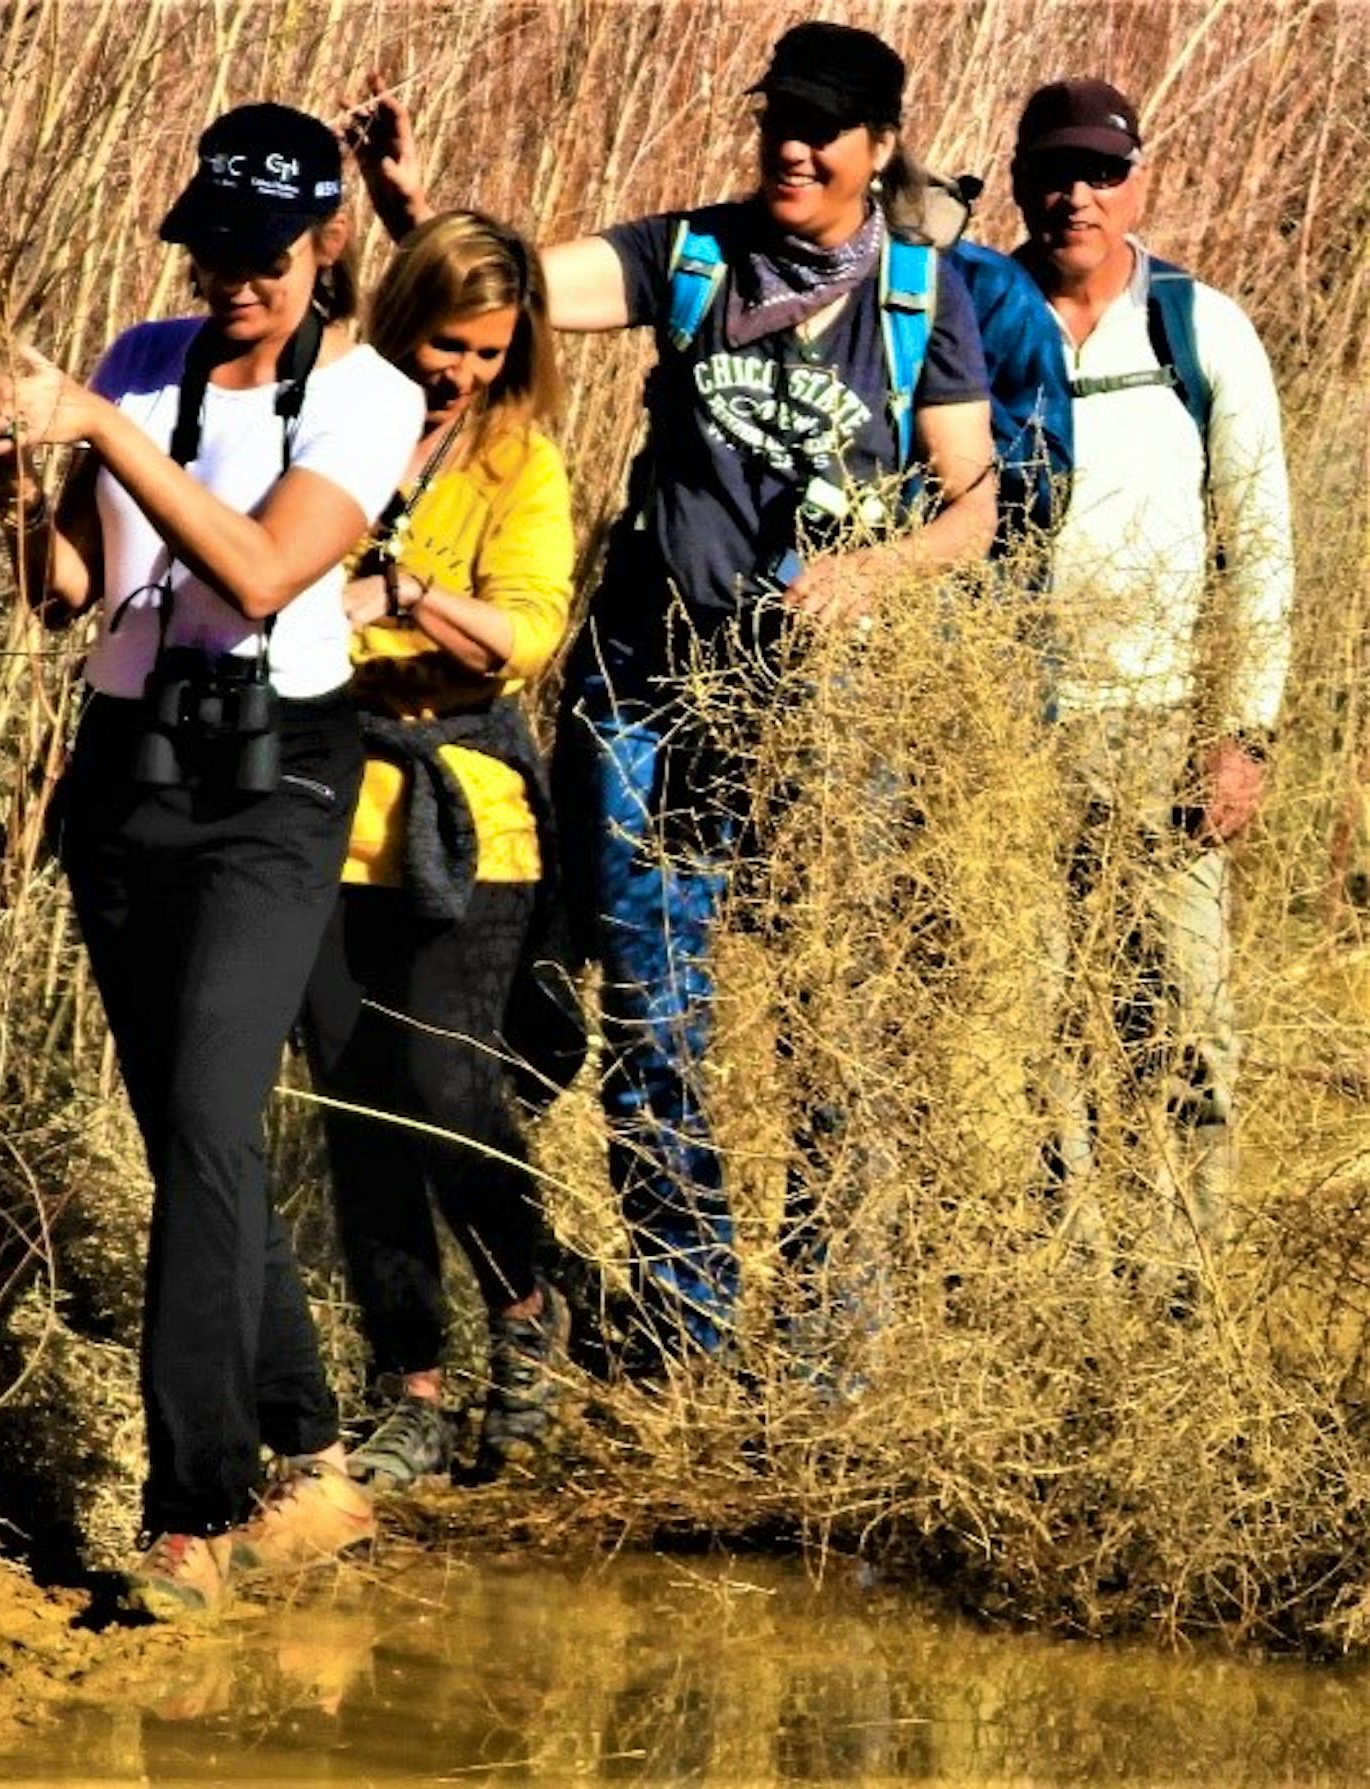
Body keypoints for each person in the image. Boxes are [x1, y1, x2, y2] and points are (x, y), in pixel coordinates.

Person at [352, 22, 996, 1361]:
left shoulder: (926, 299)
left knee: (828, 1024)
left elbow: (972, 510)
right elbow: (521, 284)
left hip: (823, 721)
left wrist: (872, 573)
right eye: (779, 122)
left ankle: (822, 1347)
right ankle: (686, 1329)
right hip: (648, 699)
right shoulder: (690, 253)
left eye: (825, 129)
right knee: (657, 1010)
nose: (795, 148)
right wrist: (421, 207)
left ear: (882, 151)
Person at [0, 103, 423, 1615]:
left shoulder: (373, 395)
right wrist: (11, 490)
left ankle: (195, 1505)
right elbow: (73, 589)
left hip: (274, 778)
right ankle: (311, 1445)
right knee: (199, 1135)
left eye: (261, 253)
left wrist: (104, 431)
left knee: (201, 1114)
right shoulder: (135, 356)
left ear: (324, 243)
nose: (231, 280)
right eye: (210, 250)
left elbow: (254, 571)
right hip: (131, 769)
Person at [295, 211, 574, 1490]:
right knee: (357, 1112)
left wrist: (400, 595)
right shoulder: (325, 427)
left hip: (469, 813)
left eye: (482, 350)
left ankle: (526, 1312)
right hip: (322, 808)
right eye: (439, 341)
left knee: (447, 1088)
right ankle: (407, 1385)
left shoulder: (519, 463)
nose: (454, 370)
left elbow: (518, 636)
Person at [1007, 80, 1293, 1296]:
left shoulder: (1198, 327)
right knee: (1028, 1033)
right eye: (1052, 171)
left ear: (1137, 182)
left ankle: (1177, 1292)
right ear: (1017, 180)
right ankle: (1063, 1288)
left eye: (1098, 172)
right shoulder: (974, 313)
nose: (1074, 195)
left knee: (1179, 1024)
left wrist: (1238, 731)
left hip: (1159, 728)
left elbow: (1259, 537)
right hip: (1002, 739)